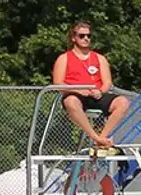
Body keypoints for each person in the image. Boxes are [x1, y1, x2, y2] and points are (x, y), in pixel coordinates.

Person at [50, 20, 131, 149]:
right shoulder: (64, 58)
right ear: (74, 38)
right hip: (76, 95)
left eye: (89, 36)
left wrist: (100, 91)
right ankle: (95, 137)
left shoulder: (99, 58)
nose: (86, 39)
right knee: (71, 101)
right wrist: (78, 90)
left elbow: (107, 82)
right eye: (82, 36)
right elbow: (58, 83)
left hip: (96, 95)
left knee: (123, 102)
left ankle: (102, 138)